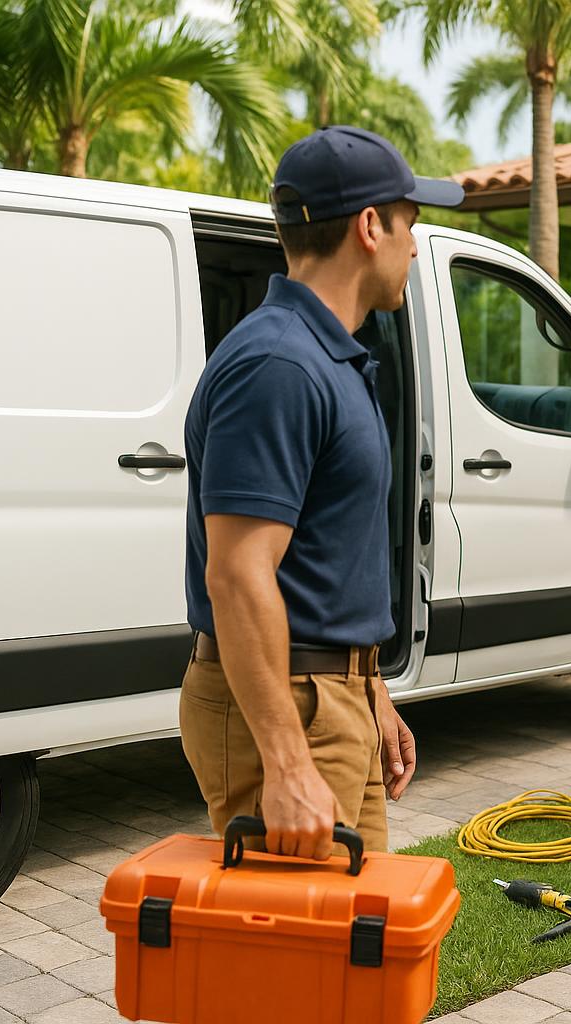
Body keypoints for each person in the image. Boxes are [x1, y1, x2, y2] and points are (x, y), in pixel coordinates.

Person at [179, 126, 465, 860]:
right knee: (297, 965)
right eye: (411, 225)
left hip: (331, 697)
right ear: (370, 227)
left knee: (348, 956)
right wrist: (286, 761)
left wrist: (370, 689)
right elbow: (238, 574)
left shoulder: (329, 355)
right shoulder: (278, 364)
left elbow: (324, 559)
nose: (414, 247)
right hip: (288, 708)